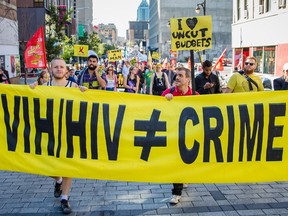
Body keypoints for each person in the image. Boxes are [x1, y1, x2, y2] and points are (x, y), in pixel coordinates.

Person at [30, 57, 87, 214]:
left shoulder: (73, 86)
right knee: (45, 166)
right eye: (56, 67)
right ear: (50, 69)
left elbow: (84, 104)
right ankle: (58, 180)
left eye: (62, 67)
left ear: (66, 70)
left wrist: (83, 92)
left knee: (68, 165)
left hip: (68, 131)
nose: (59, 69)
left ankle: (64, 198)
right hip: (50, 132)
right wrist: (31, 88)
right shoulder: (44, 86)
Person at [161, 67, 199, 205]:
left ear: (188, 79)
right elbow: (157, 111)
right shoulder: (168, 93)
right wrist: (166, 101)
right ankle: (176, 192)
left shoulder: (195, 95)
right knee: (176, 163)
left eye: (181, 76)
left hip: (190, 136)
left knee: (187, 161)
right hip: (173, 135)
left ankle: (185, 177)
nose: (177, 78)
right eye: (176, 75)